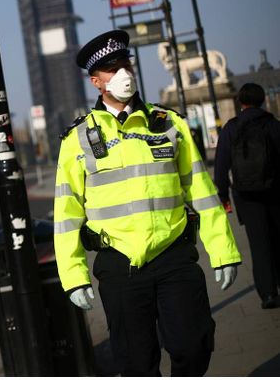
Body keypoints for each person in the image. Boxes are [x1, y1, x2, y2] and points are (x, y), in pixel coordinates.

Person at [53, 30, 242, 376]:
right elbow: (66, 215)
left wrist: (224, 251)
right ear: (96, 81)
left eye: (126, 63)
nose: (123, 72)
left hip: (174, 257)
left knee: (195, 345)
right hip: (119, 266)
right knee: (135, 364)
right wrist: (73, 276)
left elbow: (201, 192)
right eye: (112, 68)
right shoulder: (77, 140)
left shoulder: (170, 125)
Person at [214, 83, 280, 310]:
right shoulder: (272, 124)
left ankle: (268, 294)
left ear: (240, 102)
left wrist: (223, 196)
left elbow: (221, 166)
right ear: (262, 100)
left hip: (246, 195)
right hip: (274, 192)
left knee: (258, 244)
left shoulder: (231, 128)